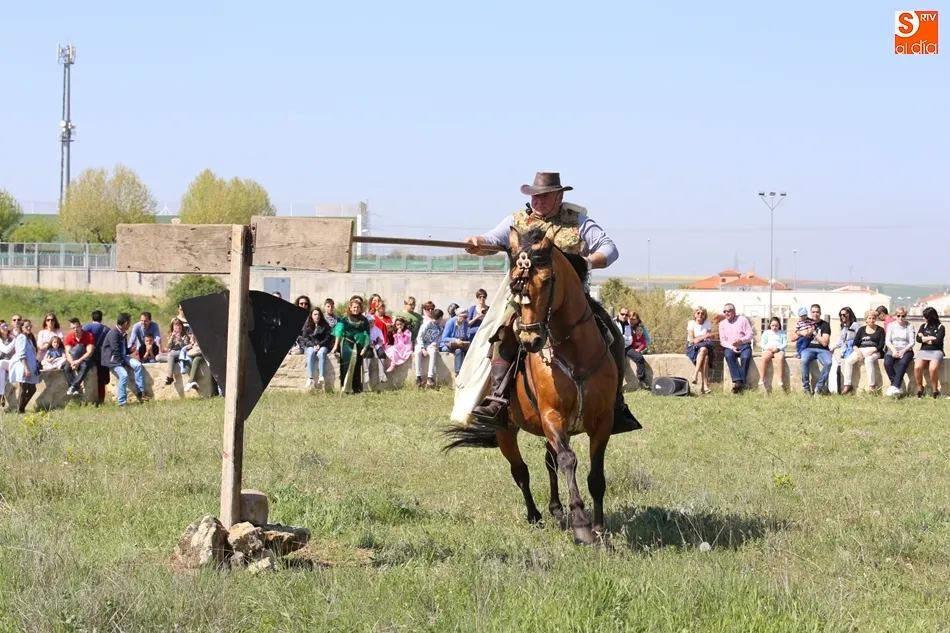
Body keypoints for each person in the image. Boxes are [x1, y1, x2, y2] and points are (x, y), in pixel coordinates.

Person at [463, 172, 639, 433]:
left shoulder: (578, 222)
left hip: (575, 301)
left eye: (544, 196)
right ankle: (498, 400)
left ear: (560, 196)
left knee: (611, 331)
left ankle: (616, 403)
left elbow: (609, 248)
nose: (539, 201)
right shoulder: (516, 220)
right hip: (527, 299)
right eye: (535, 196)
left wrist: (587, 262)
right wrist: (478, 242)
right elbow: (492, 240)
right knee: (502, 337)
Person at [101, 312, 148, 406]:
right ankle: (122, 402)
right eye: (130, 322)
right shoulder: (114, 334)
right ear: (126, 323)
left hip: (121, 357)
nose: (130, 324)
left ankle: (140, 392)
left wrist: (130, 350)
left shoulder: (122, 333)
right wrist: (123, 364)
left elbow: (123, 351)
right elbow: (115, 351)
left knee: (138, 365)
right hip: (113, 360)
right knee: (124, 375)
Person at [793, 304, 833, 395]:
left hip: (823, 350)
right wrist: (800, 333)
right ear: (810, 313)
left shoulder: (825, 325)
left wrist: (814, 332)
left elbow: (825, 342)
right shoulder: (806, 322)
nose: (815, 314)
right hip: (809, 349)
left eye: (817, 312)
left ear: (820, 312)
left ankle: (819, 388)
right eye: (813, 312)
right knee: (804, 360)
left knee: (828, 363)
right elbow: (793, 337)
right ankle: (806, 388)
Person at [718, 303, 754, 394]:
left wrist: (741, 341)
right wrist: (731, 346)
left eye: (729, 311)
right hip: (730, 347)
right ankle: (738, 381)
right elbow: (722, 341)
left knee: (745, 357)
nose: (726, 313)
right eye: (725, 311)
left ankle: (738, 383)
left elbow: (750, 334)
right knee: (728, 355)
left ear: (734, 311)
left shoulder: (742, 320)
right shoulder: (722, 324)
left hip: (744, 345)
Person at [913, 306, 944, 398]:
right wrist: (930, 338)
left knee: (933, 368)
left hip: (936, 351)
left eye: (925, 317)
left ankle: (935, 390)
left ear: (930, 317)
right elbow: (918, 339)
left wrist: (924, 338)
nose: (923, 318)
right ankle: (919, 388)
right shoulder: (923, 326)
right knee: (917, 367)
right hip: (924, 350)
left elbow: (938, 341)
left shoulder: (940, 327)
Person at [884, 307, 915, 397]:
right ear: (895, 316)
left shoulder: (909, 326)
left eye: (903, 316)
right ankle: (897, 386)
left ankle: (894, 386)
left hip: (906, 349)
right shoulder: (891, 326)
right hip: (893, 348)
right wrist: (893, 350)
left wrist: (903, 351)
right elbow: (888, 341)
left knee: (903, 363)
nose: (900, 318)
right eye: (898, 316)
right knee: (887, 363)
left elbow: (912, 342)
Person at [758, 316, 787, 390]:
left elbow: (784, 343)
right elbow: (762, 344)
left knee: (780, 358)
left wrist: (778, 348)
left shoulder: (782, 333)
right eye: (773, 325)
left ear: (779, 325)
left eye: (776, 326)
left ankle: (780, 379)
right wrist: (768, 348)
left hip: (778, 349)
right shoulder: (766, 333)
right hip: (769, 349)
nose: (774, 327)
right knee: (764, 359)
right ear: (770, 325)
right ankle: (762, 378)